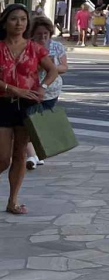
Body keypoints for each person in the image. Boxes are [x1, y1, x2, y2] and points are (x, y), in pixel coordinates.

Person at [0, 4, 59, 215]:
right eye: (14, 19)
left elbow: (52, 70)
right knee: (2, 158)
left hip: (27, 106)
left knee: (20, 155)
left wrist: (42, 88)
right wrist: (13, 88)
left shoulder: (35, 48)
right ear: (5, 22)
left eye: (23, 20)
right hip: (2, 104)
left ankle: (13, 201)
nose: (19, 23)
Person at [23, 17, 66, 171]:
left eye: (46, 34)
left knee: (41, 122)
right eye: (39, 34)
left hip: (51, 90)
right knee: (28, 121)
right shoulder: (27, 46)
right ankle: (32, 156)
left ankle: (37, 152)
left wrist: (49, 66)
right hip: (30, 88)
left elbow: (64, 67)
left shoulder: (57, 47)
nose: (43, 37)